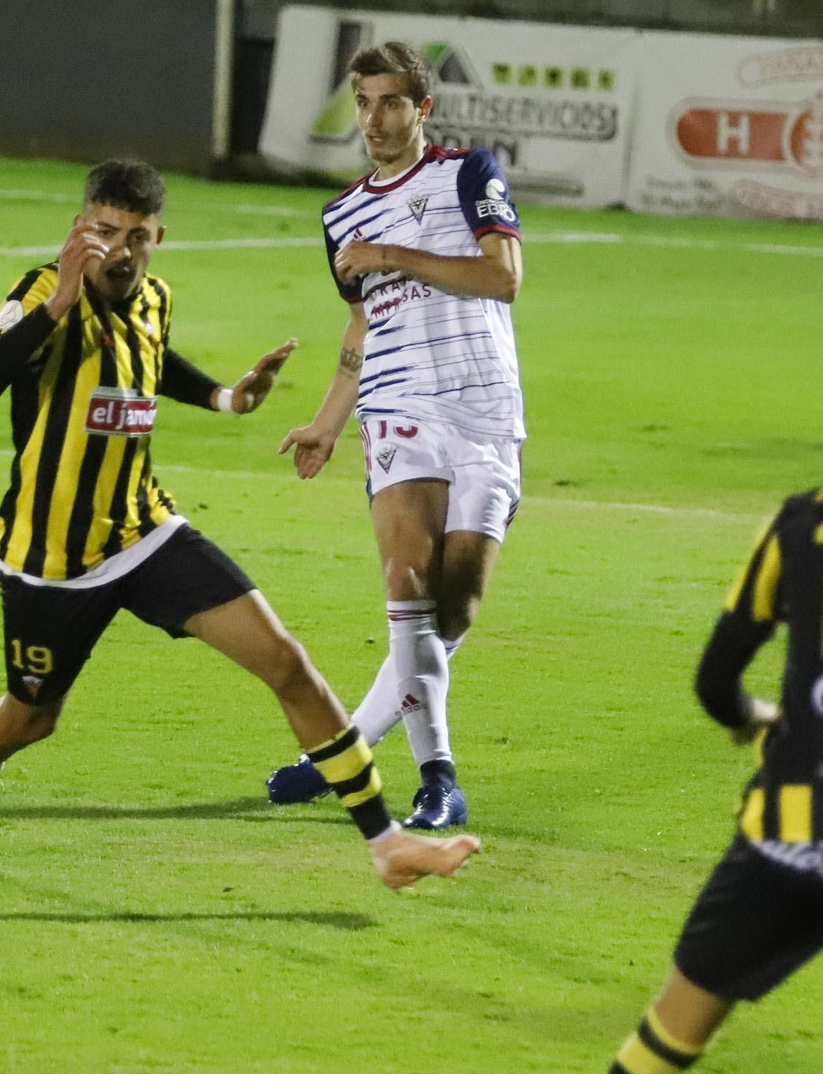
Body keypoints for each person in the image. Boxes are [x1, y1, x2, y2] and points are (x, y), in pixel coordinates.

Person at [0, 159, 480, 889]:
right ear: (81, 231)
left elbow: (152, 362)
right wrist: (58, 302)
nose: (122, 249)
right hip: (51, 558)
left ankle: (386, 843)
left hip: (145, 532)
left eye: (137, 236)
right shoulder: (44, 292)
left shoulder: (155, 298)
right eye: (106, 232)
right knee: (29, 719)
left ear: (158, 238)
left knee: (286, 662)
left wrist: (230, 398)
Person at [267, 42, 525, 830]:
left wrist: (392, 254)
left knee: (455, 608)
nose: (373, 119)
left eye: (389, 103)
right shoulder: (339, 215)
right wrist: (327, 420)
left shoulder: (468, 175)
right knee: (407, 587)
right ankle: (437, 780)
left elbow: (503, 276)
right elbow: (362, 321)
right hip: (397, 404)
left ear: (422, 109)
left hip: (485, 411)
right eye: (363, 103)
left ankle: (347, 746)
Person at [607, 478, 823, 1073]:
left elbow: (716, 682)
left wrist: (753, 714)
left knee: (667, 1038)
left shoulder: (804, 523)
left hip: (792, 838)